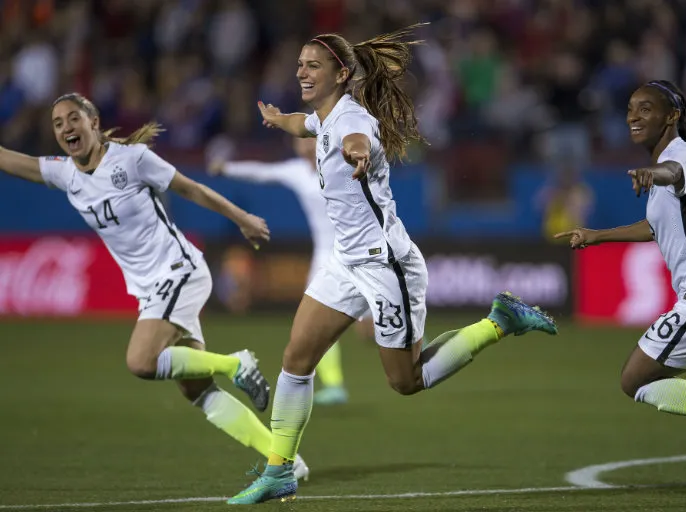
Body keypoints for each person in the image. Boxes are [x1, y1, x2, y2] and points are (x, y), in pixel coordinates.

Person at [226, 24, 558, 505]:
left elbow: (359, 139)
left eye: (312, 65)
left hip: (386, 265)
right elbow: (308, 124)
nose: (301, 70)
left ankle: (498, 322)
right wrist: (281, 121)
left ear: (341, 74)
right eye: (299, 63)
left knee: (407, 381)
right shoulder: (325, 116)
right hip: (345, 261)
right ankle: (280, 471)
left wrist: (358, 153)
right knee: (296, 360)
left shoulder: (350, 123)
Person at [0, 92, 309, 481]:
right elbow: (11, 160)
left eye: (73, 118)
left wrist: (241, 217)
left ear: (93, 123)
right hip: (152, 289)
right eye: (58, 123)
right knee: (196, 390)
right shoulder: (65, 173)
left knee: (141, 361)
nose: (66, 128)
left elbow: (190, 189)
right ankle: (284, 462)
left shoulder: (132, 160)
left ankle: (237, 364)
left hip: (178, 271)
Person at [554, 80, 686, 506]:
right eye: (631, 108)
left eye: (646, 109)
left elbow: (676, 175)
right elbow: (656, 227)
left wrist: (656, 173)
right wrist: (596, 236)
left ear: (672, 116)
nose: (633, 116)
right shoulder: (669, 162)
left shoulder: (679, 160)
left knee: (635, 381)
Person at [208, 136, 378, 406]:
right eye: (301, 141)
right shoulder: (297, 172)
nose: (306, 146)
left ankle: (412, 337)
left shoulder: (342, 167)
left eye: (311, 139)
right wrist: (227, 169)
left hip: (357, 252)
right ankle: (334, 385)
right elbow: (262, 173)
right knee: (318, 323)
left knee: (373, 330)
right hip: (325, 257)